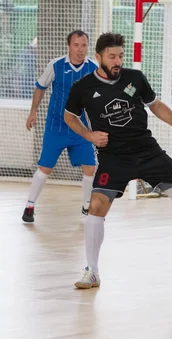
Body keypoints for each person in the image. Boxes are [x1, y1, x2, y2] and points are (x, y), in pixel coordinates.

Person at [63, 33, 172, 289]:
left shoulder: (135, 78)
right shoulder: (83, 87)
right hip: (113, 156)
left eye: (120, 56)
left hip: (147, 151)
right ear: (98, 58)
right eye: (111, 57)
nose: (117, 61)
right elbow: (70, 116)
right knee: (96, 205)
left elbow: (156, 105)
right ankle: (92, 271)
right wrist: (89, 135)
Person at [22, 30, 97, 223]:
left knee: (90, 168)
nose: (80, 49)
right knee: (45, 168)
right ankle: (30, 206)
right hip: (56, 127)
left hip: (81, 129)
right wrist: (33, 112)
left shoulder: (94, 68)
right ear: (69, 46)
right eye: (76, 45)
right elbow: (40, 87)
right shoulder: (55, 65)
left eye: (84, 45)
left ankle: (87, 206)